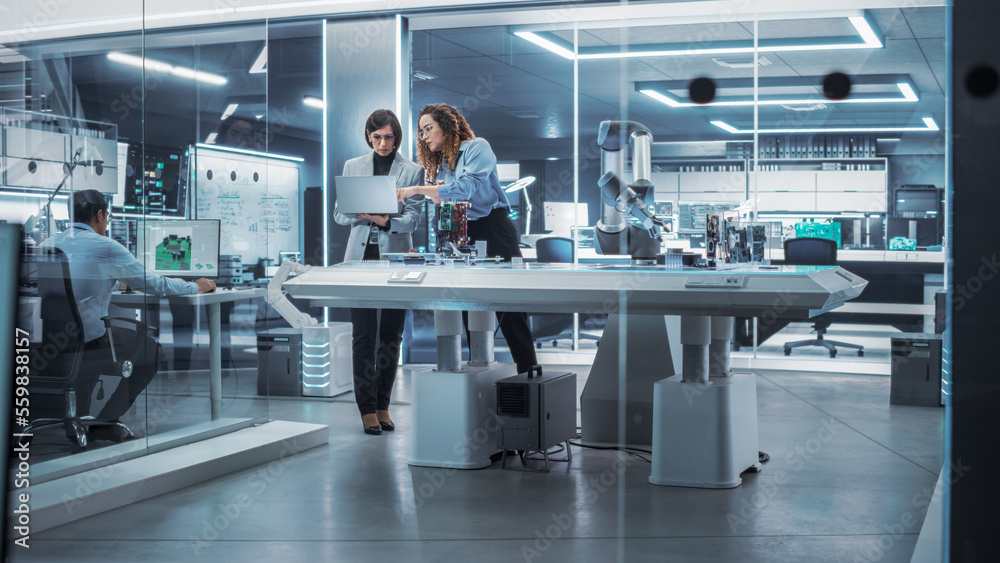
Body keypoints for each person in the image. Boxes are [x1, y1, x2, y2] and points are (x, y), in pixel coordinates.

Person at [41, 190, 216, 442]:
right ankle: (106, 420)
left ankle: (78, 416)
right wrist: (195, 286)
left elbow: (69, 288)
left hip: (47, 343)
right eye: (107, 216)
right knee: (151, 351)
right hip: (85, 343)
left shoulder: (48, 244)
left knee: (95, 339)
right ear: (100, 215)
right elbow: (156, 285)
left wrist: (112, 283)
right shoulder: (106, 246)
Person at [398, 103, 538, 374]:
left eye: (429, 128)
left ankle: (529, 373)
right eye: (421, 132)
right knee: (465, 303)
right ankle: (478, 371)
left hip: (494, 228)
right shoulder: (440, 165)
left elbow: (463, 189)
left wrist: (417, 189)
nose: (425, 137)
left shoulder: (477, 147)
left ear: (448, 127)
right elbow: (444, 200)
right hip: (461, 231)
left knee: (509, 308)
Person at [334, 109, 424, 436]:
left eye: (388, 137)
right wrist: (363, 214)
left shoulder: (412, 170)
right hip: (360, 261)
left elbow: (414, 218)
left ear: (396, 137)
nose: (382, 143)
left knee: (391, 335)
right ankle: (366, 407)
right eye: (376, 138)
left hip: (395, 261)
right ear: (368, 138)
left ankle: (383, 404)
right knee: (364, 336)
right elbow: (339, 216)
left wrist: (387, 221)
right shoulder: (353, 167)